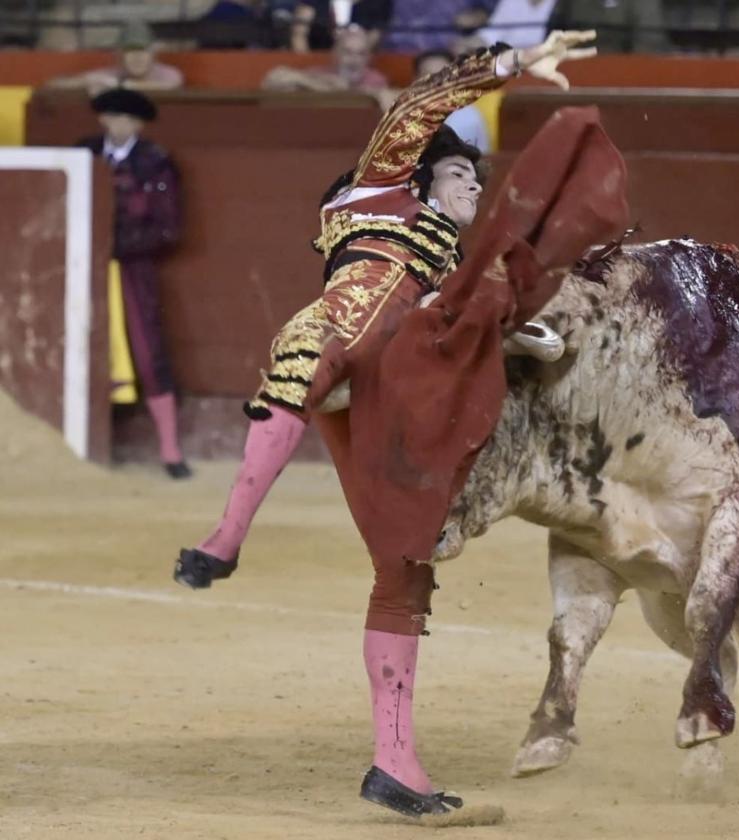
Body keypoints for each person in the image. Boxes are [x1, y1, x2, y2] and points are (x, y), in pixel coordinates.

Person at [175, 30, 598, 818]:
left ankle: (395, 763)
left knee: (401, 569)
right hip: (351, 328)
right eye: (464, 172)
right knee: (311, 352)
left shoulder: (450, 257)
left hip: (390, 389)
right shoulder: (382, 187)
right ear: (425, 174)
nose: (476, 186)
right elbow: (420, 104)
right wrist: (511, 64)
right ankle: (223, 536)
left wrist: (516, 328)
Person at [77, 89, 189, 479]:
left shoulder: (155, 162)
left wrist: (117, 246)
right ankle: (77, 448)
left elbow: (167, 226)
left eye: (129, 118)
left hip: (133, 268)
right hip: (82, 266)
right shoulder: (84, 154)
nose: (121, 124)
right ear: (104, 119)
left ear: (139, 124)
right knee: (81, 345)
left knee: (147, 348)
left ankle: (171, 451)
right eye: (113, 116)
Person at [48, 21, 183, 95]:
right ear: (120, 56)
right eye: (130, 51)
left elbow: (170, 85)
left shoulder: (167, 74)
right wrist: (88, 82)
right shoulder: (114, 74)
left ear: (153, 54)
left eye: (142, 51)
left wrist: (119, 85)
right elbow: (55, 84)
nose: (137, 58)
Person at [262, 24, 389, 99]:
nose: (354, 60)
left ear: (368, 58)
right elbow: (272, 79)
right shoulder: (318, 73)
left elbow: (346, 92)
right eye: (348, 52)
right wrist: (320, 82)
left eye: (360, 54)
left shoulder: (376, 79)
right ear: (336, 55)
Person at [409, 49, 492, 152]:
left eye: (443, 76)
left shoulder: (469, 118)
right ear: (415, 81)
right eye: (428, 76)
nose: (436, 83)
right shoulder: (400, 116)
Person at [287, 0, 391, 51]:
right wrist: (306, 63)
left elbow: (374, 37)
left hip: (358, 66)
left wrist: (351, 58)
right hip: (316, 63)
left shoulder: (378, 3)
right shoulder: (312, 2)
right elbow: (298, 35)